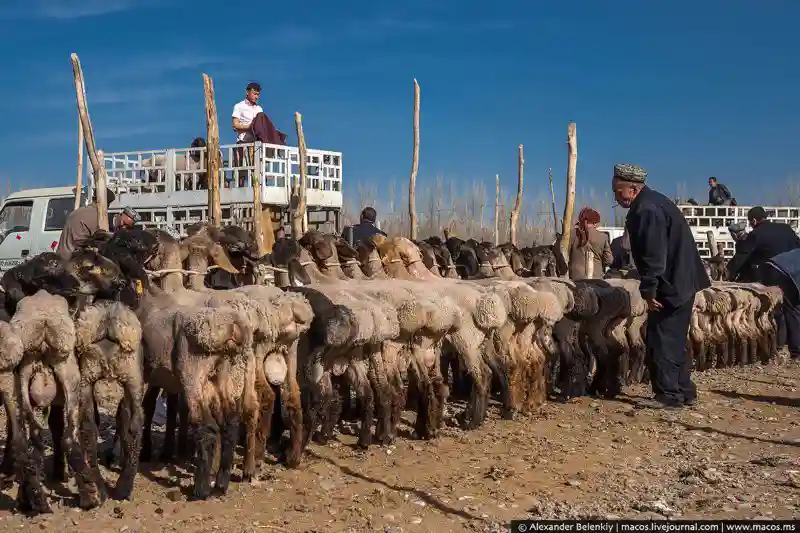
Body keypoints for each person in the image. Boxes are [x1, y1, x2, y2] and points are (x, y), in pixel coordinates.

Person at [612, 163, 711, 409]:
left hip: (670, 284)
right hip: (683, 281)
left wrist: (649, 289)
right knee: (675, 339)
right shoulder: (657, 201)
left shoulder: (646, 209)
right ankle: (684, 390)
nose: (616, 197)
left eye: (618, 191)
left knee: (662, 339)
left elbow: (654, 253)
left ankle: (669, 395)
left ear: (633, 189)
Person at [726, 206, 800, 282]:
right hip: (794, 275)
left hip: (772, 278)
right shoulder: (786, 228)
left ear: (754, 221)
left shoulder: (756, 233)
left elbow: (742, 256)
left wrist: (727, 272)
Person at [56, 188, 116, 260]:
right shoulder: (98, 216)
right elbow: (101, 241)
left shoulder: (77, 211)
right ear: (107, 203)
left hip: (60, 259)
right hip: (74, 263)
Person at [566, 207, 613, 279]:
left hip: (575, 280)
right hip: (596, 280)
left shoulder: (571, 234)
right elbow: (609, 260)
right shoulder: (603, 237)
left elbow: (564, 255)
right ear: (594, 223)